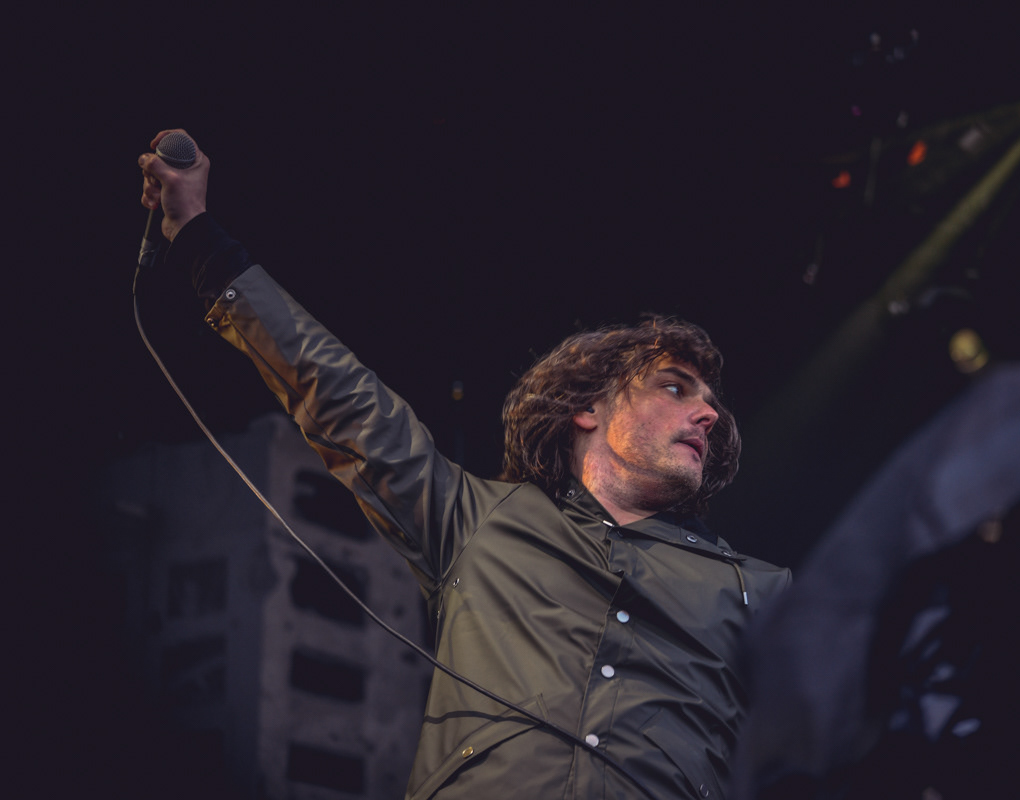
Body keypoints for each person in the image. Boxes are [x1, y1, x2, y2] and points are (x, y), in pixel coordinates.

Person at [138, 129, 791, 800]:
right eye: (675, 388)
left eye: (712, 403)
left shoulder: (759, 594)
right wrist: (200, 240)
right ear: (587, 409)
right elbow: (342, 397)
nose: (709, 414)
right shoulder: (476, 521)